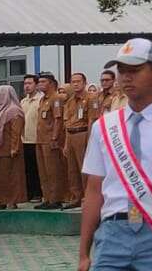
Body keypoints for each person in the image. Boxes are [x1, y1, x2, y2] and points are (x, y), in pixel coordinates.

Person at [77, 38, 152, 271]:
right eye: (121, 70)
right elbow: (94, 190)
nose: (126, 77)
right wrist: (83, 253)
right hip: (112, 233)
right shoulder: (104, 127)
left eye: (134, 70)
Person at [0, 85, 27, 209]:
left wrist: (14, 147)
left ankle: (12, 201)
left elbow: (16, 132)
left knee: (12, 176)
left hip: (9, 150)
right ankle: (0, 201)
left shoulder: (14, 111)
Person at [35, 73, 66, 210]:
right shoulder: (42, 100)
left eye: (43, 81)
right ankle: (46, 197)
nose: (40, 84)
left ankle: (55, 198)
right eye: (39, 82)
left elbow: (58, 119)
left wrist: (54, 137)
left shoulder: (56, 98)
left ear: (52, 83)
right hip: (40, 140)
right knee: (43, 171)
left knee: (53, 170)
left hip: (50, 140)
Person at [61, 72, 91, 209]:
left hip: (83, 133)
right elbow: (67, 123)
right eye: (73, 82)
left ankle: (88, 197)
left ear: (84, 83)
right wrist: (66, 144)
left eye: (78, 81)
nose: (76, 84)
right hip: (71, 135)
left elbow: (92, 120)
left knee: (84, 168)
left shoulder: (91, 98)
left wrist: (91, 140)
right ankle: (76, 197)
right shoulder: (70, 102)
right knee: (72, 169)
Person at [20, 74, 42, 202]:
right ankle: (29, 193)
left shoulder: (40, 100)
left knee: (37, 168)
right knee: (27, 169)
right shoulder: (23, 101)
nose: (27, 86)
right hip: (25, 140)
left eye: (30, 83)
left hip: (37, 139)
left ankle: (38, 193)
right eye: (25, 84)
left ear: (36, 85)